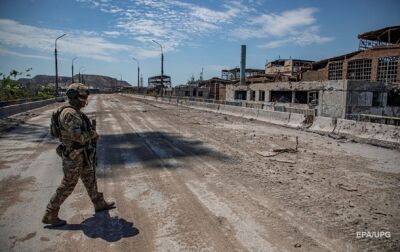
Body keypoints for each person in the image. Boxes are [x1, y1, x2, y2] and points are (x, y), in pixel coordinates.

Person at [42, 83, 115, 227]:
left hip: (81, 153)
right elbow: (78, 137)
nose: (85, 100)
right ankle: (50, 213)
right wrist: (92, 134)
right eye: (83, 97)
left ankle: (98, 203)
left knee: (90, 178)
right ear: (76, 97)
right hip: (74, 156)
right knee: (68, 184)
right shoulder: (70, 113)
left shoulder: (74, 111)